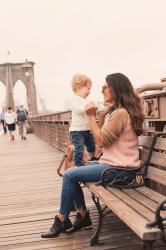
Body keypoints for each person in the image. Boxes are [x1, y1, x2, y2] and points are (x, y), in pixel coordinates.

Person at [41, 72, 144, 238]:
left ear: (116, 90)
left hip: (118, 170)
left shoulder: (120, 114)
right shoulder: (118, 112)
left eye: (105, 87)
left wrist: (90, 117)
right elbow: (101, 138)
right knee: (73, 170)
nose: (101, 90)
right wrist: (100, 117)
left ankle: (62, 219)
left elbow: (102, 141)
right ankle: (82, 215)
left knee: (69, 175)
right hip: (115, 166)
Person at [67, 73, 97, 166]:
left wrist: (97, 107)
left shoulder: (87, 99)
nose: (89, 91)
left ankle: (91, 159)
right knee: (79, 148)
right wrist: (88, 108)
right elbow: (78, 110)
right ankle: (78, 163)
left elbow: (94, 106)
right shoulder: (74, 99)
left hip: (87, 130)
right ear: (79, 87)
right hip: (77, 131)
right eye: (88, 89)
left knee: (91, 146)